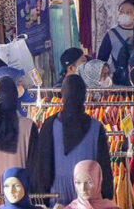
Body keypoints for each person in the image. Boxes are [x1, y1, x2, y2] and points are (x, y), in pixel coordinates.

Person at [37, 75, 112, 206]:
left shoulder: (50, 124)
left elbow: (43, 167)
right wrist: (106, 198)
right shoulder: (96, 127)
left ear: (63, 95)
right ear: (83, 95)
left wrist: (42, 198)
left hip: (57, 195)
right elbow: (103, 167)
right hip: (87, 194)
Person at [97, 0, 134, 77]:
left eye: (129, 12)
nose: (124, 14)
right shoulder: (111, 34)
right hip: (119, 81)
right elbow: (101, 61)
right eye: (121, 12)